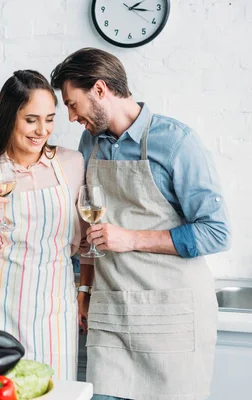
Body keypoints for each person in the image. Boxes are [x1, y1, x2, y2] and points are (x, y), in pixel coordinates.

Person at [50, 48, 232, 400]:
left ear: (100, 89)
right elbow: (91, 230)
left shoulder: (177, 142)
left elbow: (216, 231)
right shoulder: (91, 142)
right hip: (111, 313)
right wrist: (84, 290)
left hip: (171, 318)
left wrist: (131, 238)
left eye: (73, 104)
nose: (71, 117)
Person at [0, 69, 89, 380]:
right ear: (10, 117)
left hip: (55, 308)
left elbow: (84, 243)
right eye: (31, 119)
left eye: (49, 118)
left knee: (54, 391)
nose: (42, 130)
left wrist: (85, 290)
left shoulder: (71, 164)